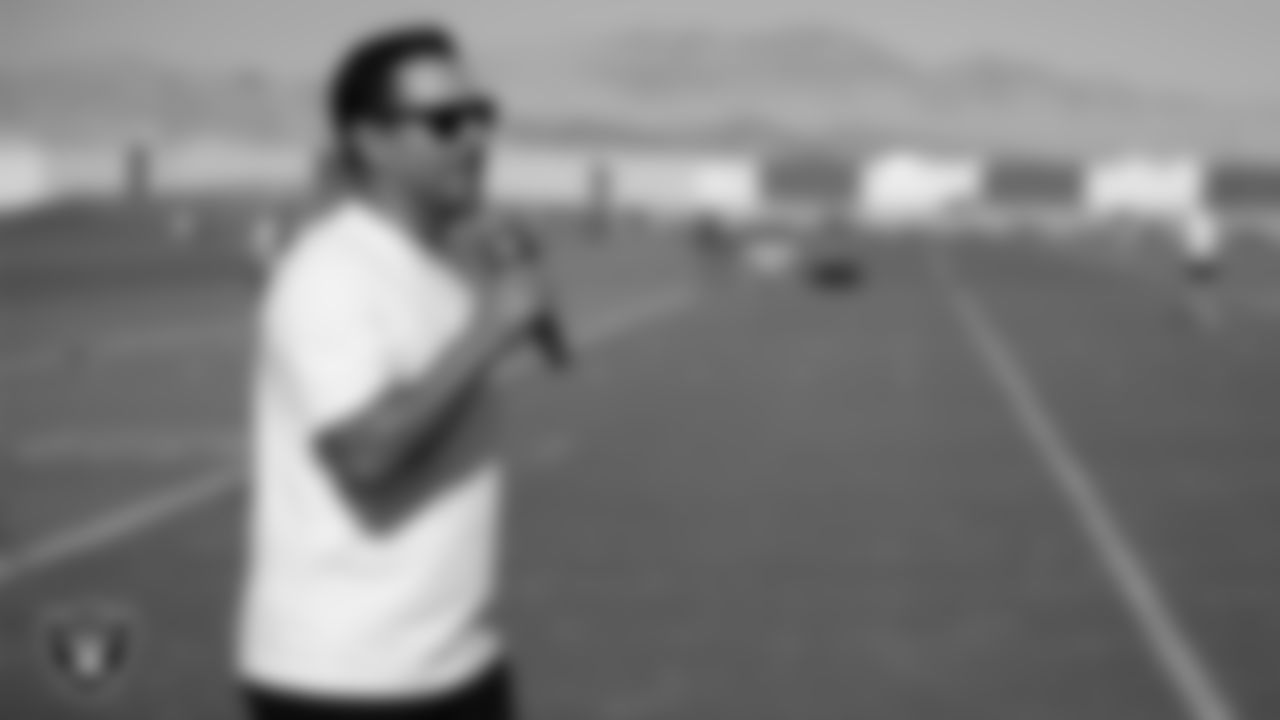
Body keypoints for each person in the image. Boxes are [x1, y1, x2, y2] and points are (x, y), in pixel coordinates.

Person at [236, 22, 550, 720]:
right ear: (371, 141)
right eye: (445, 122)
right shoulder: (330, 275)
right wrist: (490, 330)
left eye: (481, 114)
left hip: (458, 665)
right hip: (345, 682)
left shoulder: (444, 270)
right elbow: (365, 454)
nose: (475, 139)